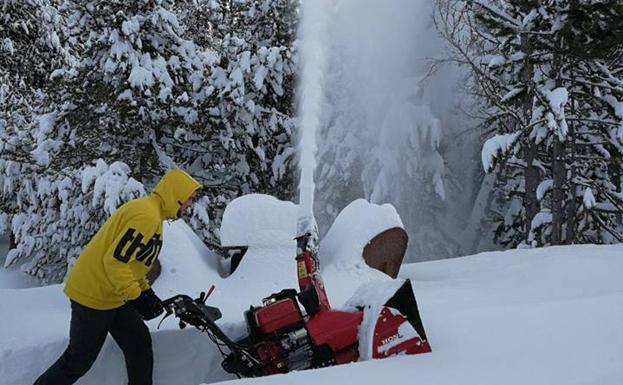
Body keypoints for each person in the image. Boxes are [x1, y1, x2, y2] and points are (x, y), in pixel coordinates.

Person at [34, 168, 202, 385]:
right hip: (93, 293)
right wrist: (136, 296)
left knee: (138, 342)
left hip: (113, 293)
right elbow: (115, 262)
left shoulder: (153, 214)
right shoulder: (146, 216)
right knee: (79, 360)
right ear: (176, 197)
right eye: (189, 199)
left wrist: (145, 291)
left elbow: (135, 262)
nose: (190, 205)